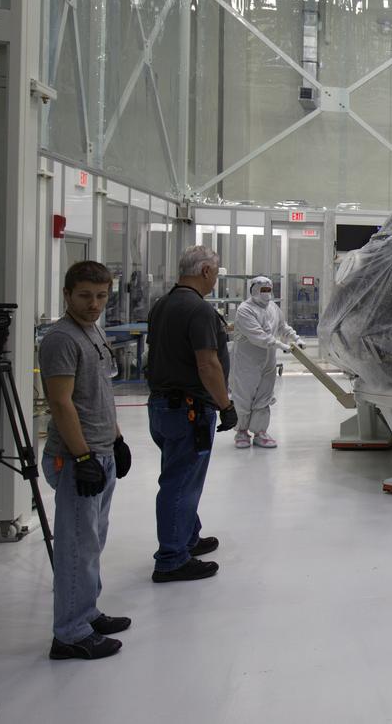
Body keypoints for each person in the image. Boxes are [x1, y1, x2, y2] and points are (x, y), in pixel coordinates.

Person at [39, 261, 132, 660]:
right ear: (66, 294)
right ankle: (70, 634)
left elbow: (100, 394)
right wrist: (82, 456)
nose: (94, 304)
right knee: (76, 547)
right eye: (85, 296)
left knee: (92, 542)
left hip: (101, 451)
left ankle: (86, 612)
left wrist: (117, 439)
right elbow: (61, 403)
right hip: (77, 457)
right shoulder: (60, 339)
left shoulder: (92, 330)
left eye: (101, 296)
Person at [146, 246, 236, 583]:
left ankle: (187, 537)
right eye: (216, 271)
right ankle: (171, 557)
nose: (215, 277)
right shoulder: (197, 310)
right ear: (206, 271)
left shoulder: (162, 305)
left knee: (178, 475)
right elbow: (207, 363)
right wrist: (225, 405)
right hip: (188, 409)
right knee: (180, 483)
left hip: (162, 406)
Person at [230, 276, 303, 449]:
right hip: (246, 361)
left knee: (264, 395)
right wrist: (281, 345)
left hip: (268, 361)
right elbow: (258, 336)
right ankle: (241, 431)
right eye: (263, 290)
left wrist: (296, 338)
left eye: (268, 290)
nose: (266, 293)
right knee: (244, 396)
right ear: (253, 289)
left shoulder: (273, 308)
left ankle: (260, 432)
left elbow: (282, 327)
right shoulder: (245, 309)